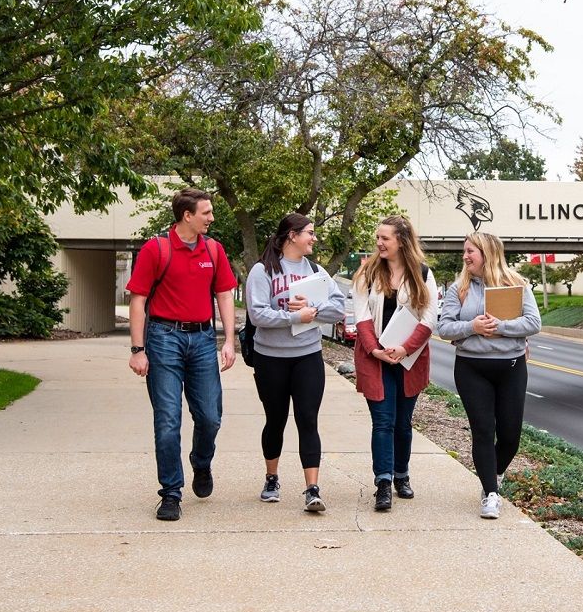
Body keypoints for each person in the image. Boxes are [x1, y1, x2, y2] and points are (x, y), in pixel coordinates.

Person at [127, 188, 237, 522]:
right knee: (168, 420)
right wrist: (137, 350)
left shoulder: (214, 250)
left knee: (209, 417)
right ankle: (171, 493)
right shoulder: (156, 249)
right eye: (206, 212)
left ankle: (201, 463)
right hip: (163, 339)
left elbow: (224, 294)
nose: (211, 218)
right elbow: (138, 300)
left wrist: (229, 340)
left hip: (203, 338)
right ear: (187, 215)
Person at [438, 231, 542, 519]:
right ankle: (490, 493)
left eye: (470, 251)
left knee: (510, 436)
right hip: (472, 368)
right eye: (465, 251)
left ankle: (493, 474)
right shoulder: (459, 288)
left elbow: (534, 322)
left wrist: (500, 326)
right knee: (483, 431)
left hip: (511, 368)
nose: (465, 256)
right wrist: (473, 326)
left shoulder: (517, 285)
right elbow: (444, 328)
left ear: (487, 253)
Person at [246, 213, 345, 512]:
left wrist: (312, 310)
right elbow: (257, 315)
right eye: (310, 233)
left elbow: (339, 308)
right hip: (270, 359)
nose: (314, 239)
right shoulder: (263, 271)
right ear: (292, 235)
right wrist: (293, 317)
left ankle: (312, 489)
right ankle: (272, 478)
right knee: (275, 421)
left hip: (307, 357)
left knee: (308, 420)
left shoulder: (317, 271)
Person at [351, 215, 439, 512]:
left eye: (384, 238)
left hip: (409, 359)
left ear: (401, 241)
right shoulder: (367, 274)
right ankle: (383, 483)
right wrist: (375, 350)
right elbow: (361, 316)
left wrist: (404, 348)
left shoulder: (423, 274)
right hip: (375, 359)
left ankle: (402, 475)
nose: (379, 243)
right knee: (383, 422)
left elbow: (429, 319)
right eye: (378, 237)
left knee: (403, 423)